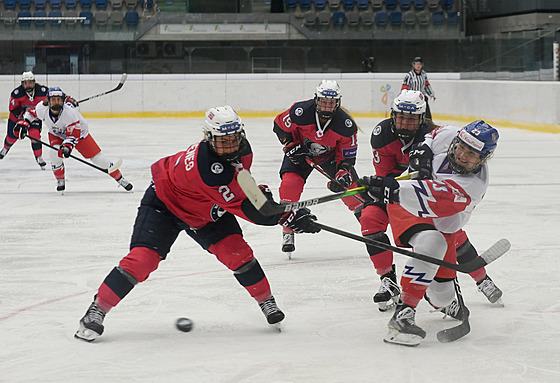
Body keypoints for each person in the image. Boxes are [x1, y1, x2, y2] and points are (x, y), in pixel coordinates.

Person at [74, 105, 320, 342]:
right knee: (142, 260)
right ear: (209, 138)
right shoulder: (208, 168)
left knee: (239, 254)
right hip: (165, 205)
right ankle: (96, 311)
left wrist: (275, 208)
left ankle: (267, 301)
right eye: (223, 141)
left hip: (205, 210)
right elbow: (252, 210)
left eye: (234, 138)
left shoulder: (242, 150)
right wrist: (285, 215)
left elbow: (246, 188)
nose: (231, 144)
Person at [358, 120, 500, 346]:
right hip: (407, 207)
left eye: (472, 155)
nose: (462, 155)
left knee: (442, 296)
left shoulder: (473, 185)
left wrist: (391, 190)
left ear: (483, 159)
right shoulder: (452, 134)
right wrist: (422, 149)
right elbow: (432, 134)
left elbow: (433, 196)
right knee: (432, 243)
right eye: (461, 147)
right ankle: (403, 316)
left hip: (436, 215)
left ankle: (434, 297)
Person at [273, 80, 361, 256]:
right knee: (289, 186)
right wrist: (290, 144)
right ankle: (288, 231)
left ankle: (371, 228)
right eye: (323, 102)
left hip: (330, 158)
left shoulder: (346, 125)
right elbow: (279, 126)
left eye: (331, 103)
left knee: (352, 192)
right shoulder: (300, 111)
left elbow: (347, 157)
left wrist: (343, 173)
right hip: (300, 153)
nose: (327, 106)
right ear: (316, 99)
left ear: (338, 102)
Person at [17, 87, 133, 192]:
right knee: (54, 154)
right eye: (53, 100)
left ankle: (120, 179)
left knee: (99, 159)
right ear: (48, 101)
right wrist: (24, 124)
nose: (56, 102)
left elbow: (73, 134)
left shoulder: (70, 114)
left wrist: (67, 147)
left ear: (63, 101)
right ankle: (60, 180)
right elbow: (31, 114)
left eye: (58, 99)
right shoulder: (42, 108)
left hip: (80, 134)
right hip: (56, 133)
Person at [0, 71, 48, 168]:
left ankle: (39, 157)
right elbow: (13, 109)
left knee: (35, 135)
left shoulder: (42, 91)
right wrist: (23, 117)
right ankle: (5, 148)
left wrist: (67, 100)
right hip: (17, 118)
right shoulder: (17, 93)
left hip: (34, 117)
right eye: (26, 83)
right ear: (22, 84)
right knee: (12, 136)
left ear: (34, 82)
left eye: (30, 82)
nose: (28, 85)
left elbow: (55, 95)